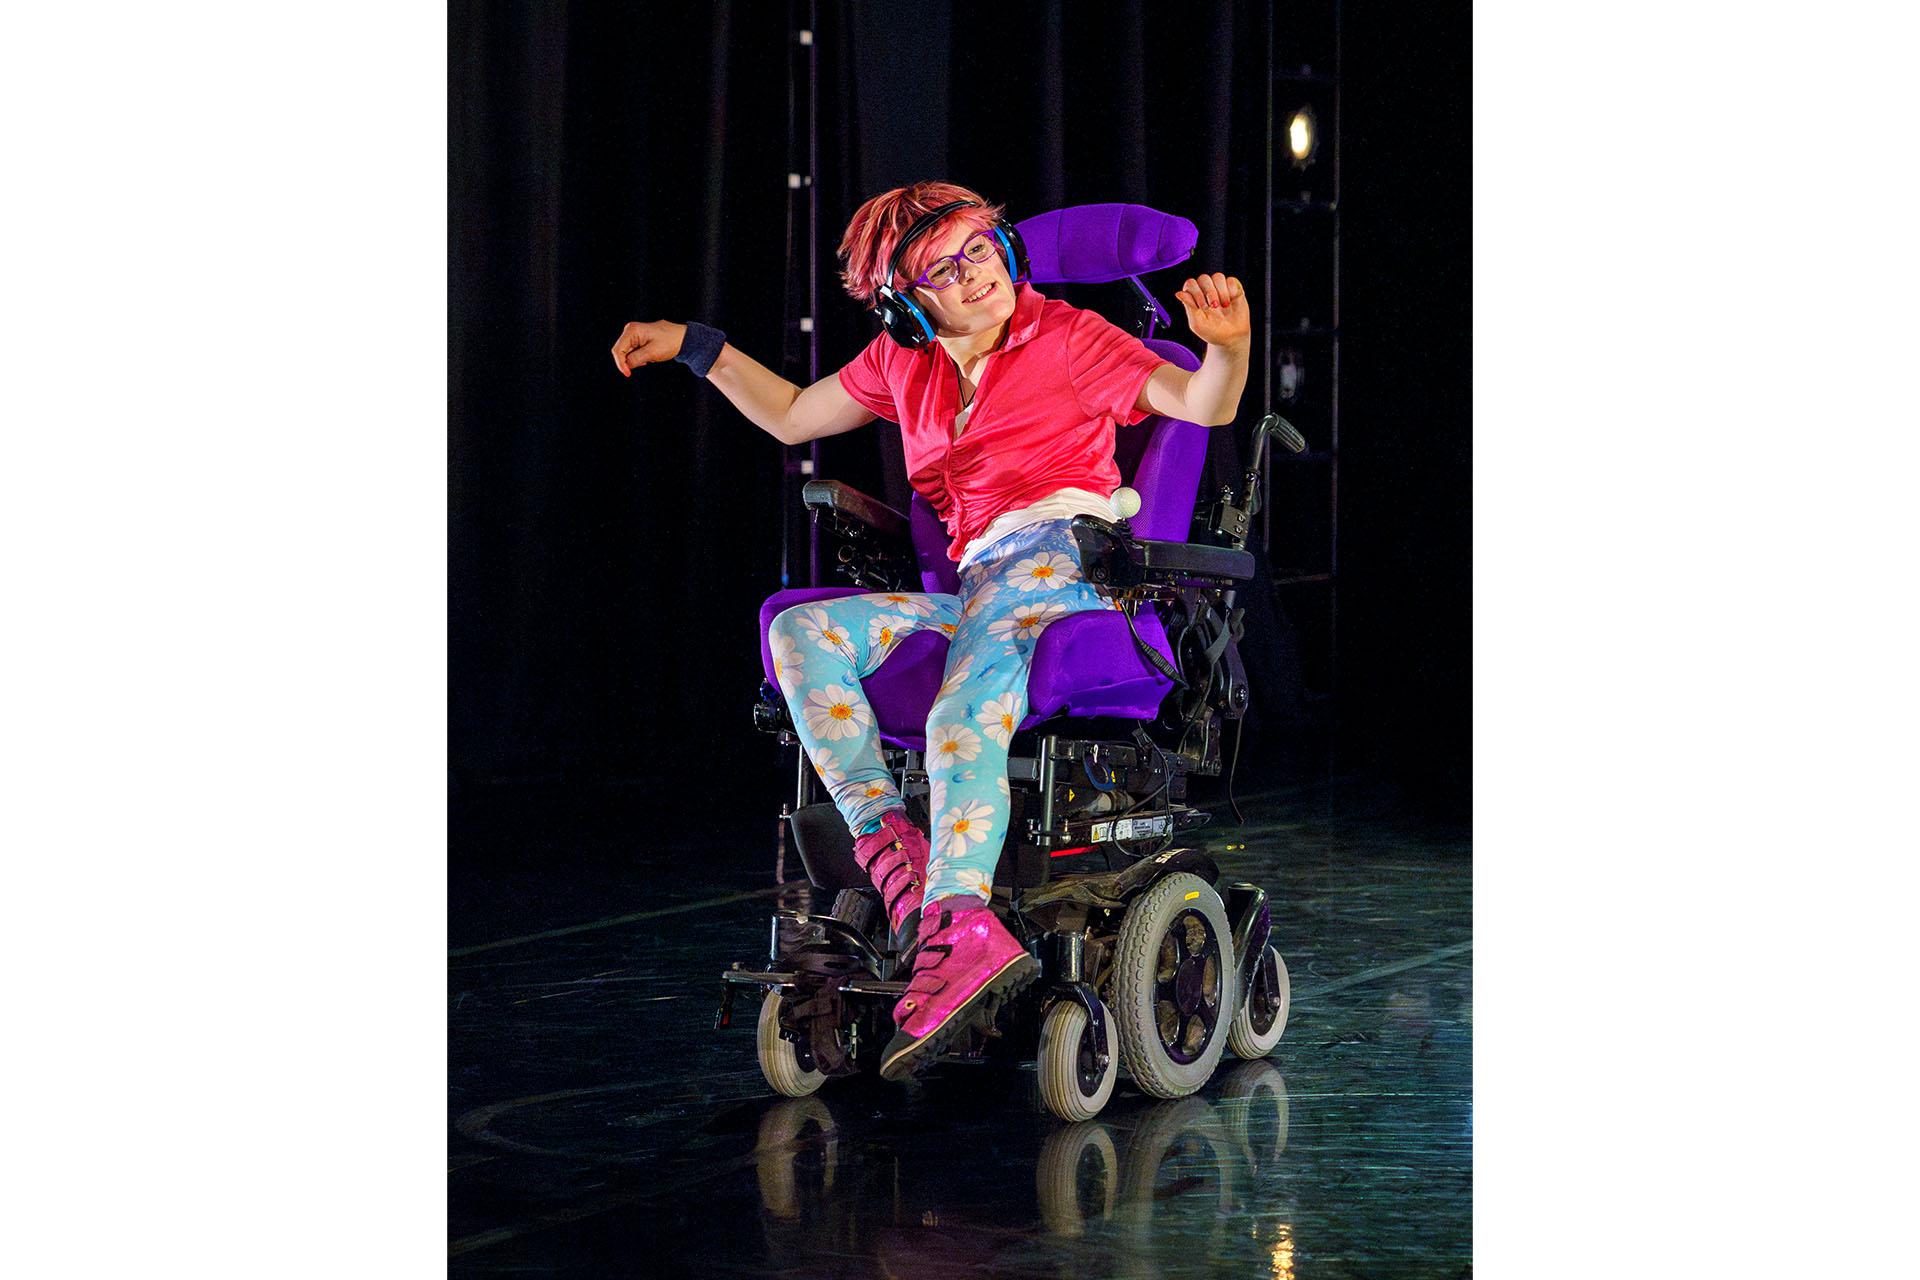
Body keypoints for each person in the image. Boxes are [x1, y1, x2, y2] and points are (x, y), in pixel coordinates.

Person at [612, 181, 1250, 1080]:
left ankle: (962, 924)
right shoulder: (902, 363)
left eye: (981, 249)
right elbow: (795, 414)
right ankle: (897, 858)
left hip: (1072, 565)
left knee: (961, 712)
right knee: (799, 632)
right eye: (944, 270)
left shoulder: (1067, 335)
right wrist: (695, 347)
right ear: (906, 304)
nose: (976, 274)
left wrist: (1229, 350)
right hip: (983, 581)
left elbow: (1203, 404)